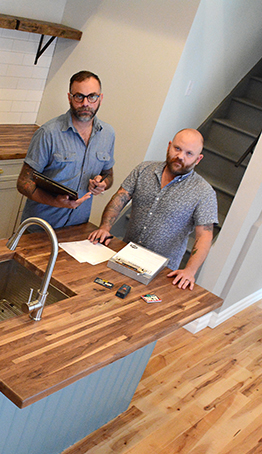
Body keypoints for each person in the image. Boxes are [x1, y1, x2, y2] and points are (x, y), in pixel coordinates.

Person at [88, 128, 218, 290]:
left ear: (198, 159)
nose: (180, 156)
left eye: (189, 153)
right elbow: (120, 198)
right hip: (125, 254)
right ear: (169, 146)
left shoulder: (203, 192)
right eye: (177, 148)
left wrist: (190, 270)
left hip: (161, 272)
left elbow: (204, 235)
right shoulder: (144, 170)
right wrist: (105, 228)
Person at [17, 70, 115, 229]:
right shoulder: (48, 133)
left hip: (78, 227)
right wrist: (55, 201)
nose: (85, 103)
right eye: (79, 96)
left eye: (92, 97)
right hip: (40, 227)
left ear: (100, 99)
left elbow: (108, 174)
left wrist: (103, 184)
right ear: (70, 98)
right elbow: (23, 182)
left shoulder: (108, 134)